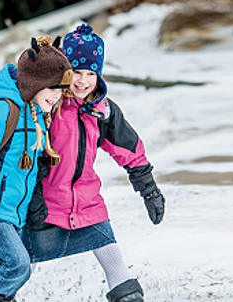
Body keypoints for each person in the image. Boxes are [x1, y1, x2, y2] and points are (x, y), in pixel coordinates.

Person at [21, 24, 166, 302]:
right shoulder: (49, 104)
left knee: (114, 260)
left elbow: (130, 150)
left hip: (86, 201)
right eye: (76, 71)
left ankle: (127, 297)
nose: (83, 81)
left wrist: (149, 190)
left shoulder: (103, 111)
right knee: (20, 267)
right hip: (43, 203)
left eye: (91, 73)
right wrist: (34, 194)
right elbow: (29, 151)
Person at [0, 36, 72, 302]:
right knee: (19, 267)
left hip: (15, 212)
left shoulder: (36, 115)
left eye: (61, 89)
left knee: (2, 270)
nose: (57, 96)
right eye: (53, 88)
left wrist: (34, 200)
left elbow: (27, 168)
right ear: (35, 84)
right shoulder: (3, 111)